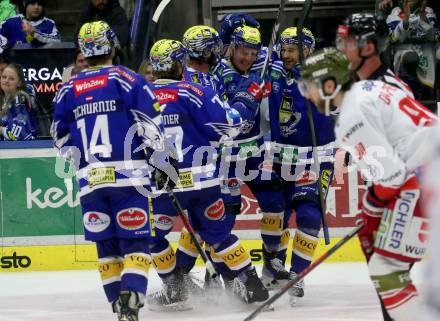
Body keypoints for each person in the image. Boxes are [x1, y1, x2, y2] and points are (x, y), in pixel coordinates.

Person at [299, 46, 434, 321]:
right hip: (427, 165)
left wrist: (371, 209)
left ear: (328, 84)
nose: (308, 95)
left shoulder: (351, 115)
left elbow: (392, 177)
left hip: (429, 175)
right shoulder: (371, 88)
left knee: (385, 270)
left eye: (310, 87)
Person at [51, 21, 167, 321]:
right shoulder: (128, 80)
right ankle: (131, 298)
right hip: (129, 179)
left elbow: (59, 136)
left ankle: (118, 307)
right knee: (136, 244)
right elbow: (151, 126)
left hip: (91, 183)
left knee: (107, 250)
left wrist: (82, 164)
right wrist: (159, 162)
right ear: (112, 45)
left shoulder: (67, 90)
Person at [145, 38, 269, 310]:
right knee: (219, 235)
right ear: (180, 64)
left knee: (151, 238)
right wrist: (246, 100)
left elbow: (129, 141)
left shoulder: (141, 96)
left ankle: (175, 288)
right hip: (204, 181)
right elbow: (232, 124)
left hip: (164, 186)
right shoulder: (195, 91)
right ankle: (252, 284)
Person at [213, 21, 290, 291]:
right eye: (243, 51)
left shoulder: (262, 64)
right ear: (232, 48)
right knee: (224, 217)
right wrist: (245, 94)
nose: (248, 57)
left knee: (275, 203)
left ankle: (271, 261)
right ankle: (223, 273)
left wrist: (286, 63)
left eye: (253, 52)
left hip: (255, 153)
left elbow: (285, 56)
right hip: (226, 158)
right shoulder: (218, 72)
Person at [267, 26, 335, 304]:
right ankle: (274, 268)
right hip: (283, 154)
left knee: (309, 213)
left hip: (316, 155)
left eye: (292, 50)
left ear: (307, 50)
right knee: (277, 215)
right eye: (283, 50)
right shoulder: (271, 69)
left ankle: (298, 272)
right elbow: (241, 58)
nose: (286, 55)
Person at [336, 12, 413, 96]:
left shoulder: (393, 91)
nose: (342, 50)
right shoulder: (345, 84)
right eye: (340, 42)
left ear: (368, 48)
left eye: (348, 44)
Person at [0, 62, 36, 140]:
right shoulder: (3, 99)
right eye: (4, 77)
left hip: (27, 149)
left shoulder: (20, 97)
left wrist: (1, 130)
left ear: (19, 83)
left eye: (11, 79)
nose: (6, 81)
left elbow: (21, 135)